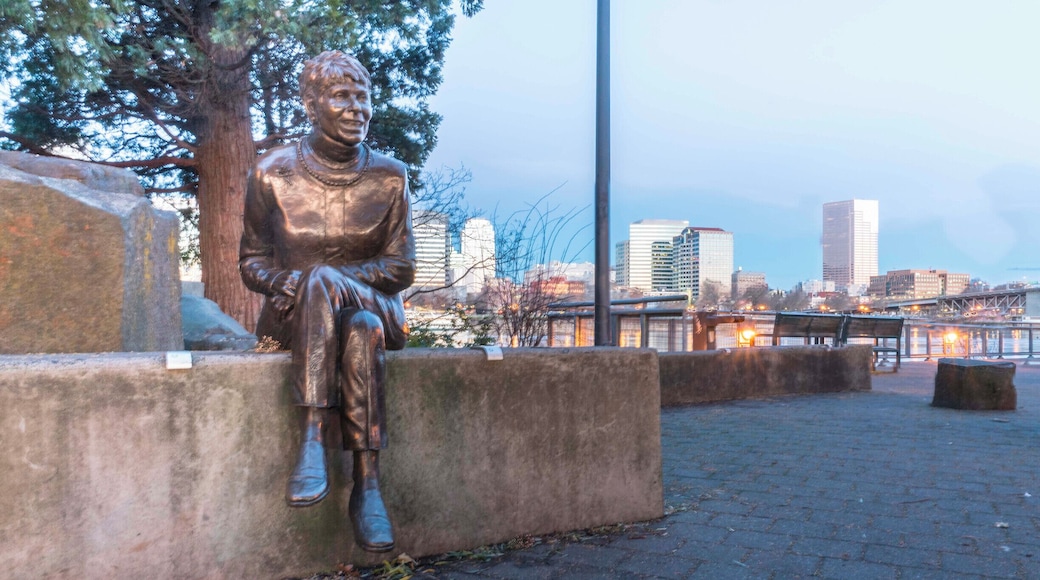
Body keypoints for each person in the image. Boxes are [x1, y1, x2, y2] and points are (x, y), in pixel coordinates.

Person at [239, 50, 415, 553]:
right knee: (355, 327)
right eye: (342, 96)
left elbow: (401, 268)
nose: (357, 107)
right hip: (298, 319)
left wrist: (329, 278)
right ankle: (368, 486)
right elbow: (251, 262)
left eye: (364, 97)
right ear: (311, 104)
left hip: (381, 307)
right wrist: (284, 283)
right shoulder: (272, 173)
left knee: (333, 288)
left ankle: (313, 436)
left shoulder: (391, 176)